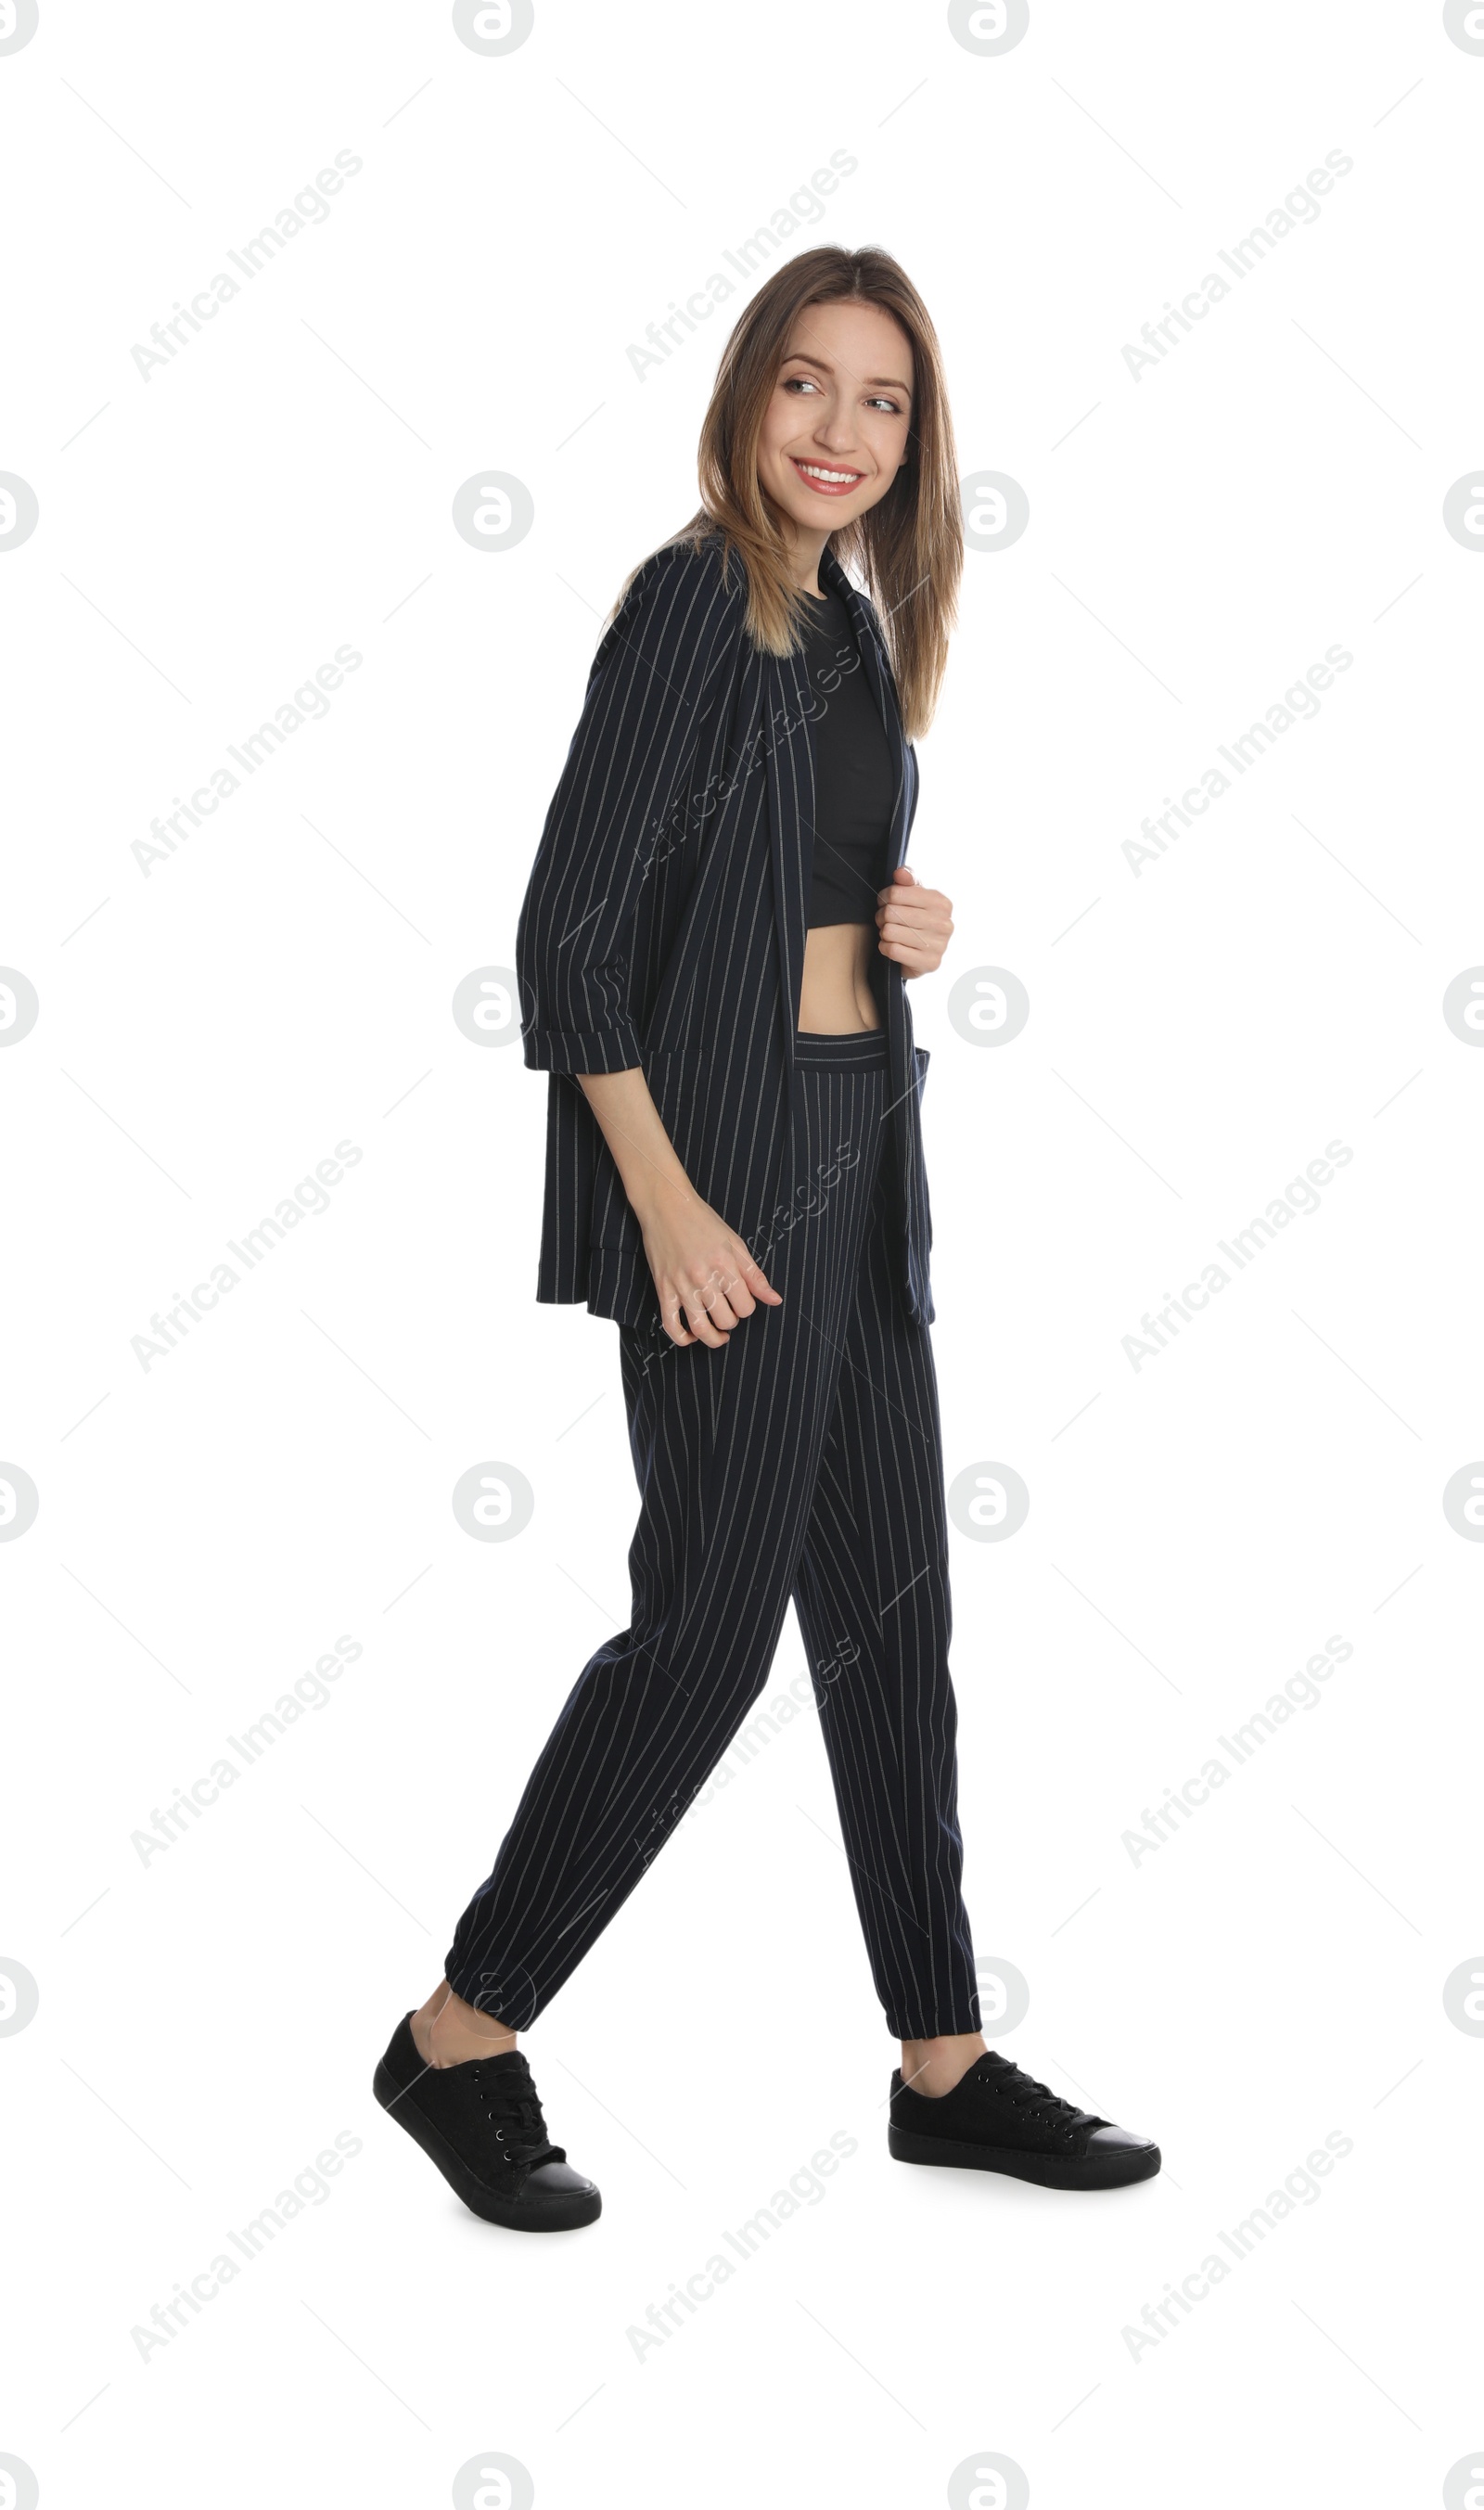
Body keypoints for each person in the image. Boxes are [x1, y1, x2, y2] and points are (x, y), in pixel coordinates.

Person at [374, 246, 1159, 2229]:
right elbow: (566, 948)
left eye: (880, 401)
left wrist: (904, 928)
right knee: (708, 1638)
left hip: (856, 1160)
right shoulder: (688, 604)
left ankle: (941, 2060)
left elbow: (782, 899)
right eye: (806, 386)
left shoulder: (842, 632)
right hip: (717, 1182)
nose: (838, 431)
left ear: (917, 440)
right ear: (743, 398)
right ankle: (460, 2034)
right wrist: (668, 1209)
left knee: (895, 1626)